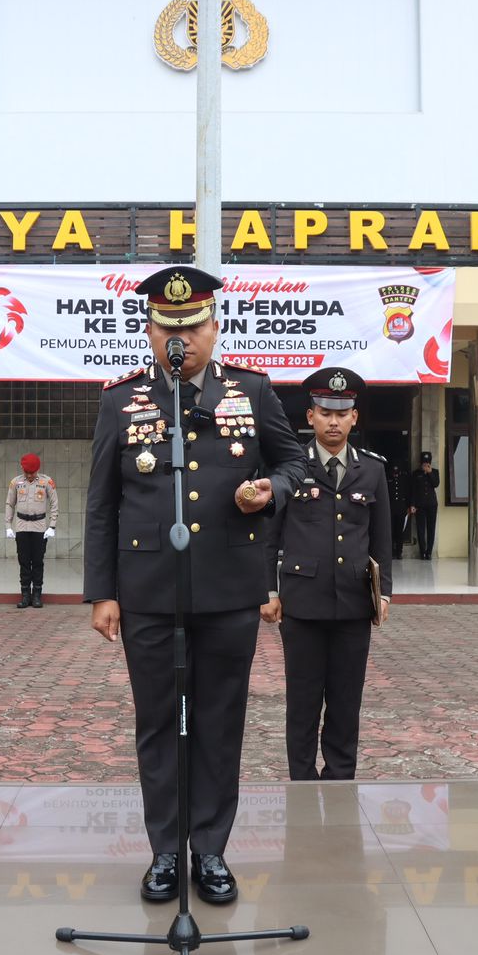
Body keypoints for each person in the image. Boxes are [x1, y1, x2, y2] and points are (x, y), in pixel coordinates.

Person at [84, 264, 305, 906]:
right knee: (156, 722)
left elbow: (293, 461)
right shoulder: (121, 400)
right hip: (149, 590)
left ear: (214, 327)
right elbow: (102, 503)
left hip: (229, 587)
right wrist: (103, 591)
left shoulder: (252, 391)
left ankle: (209, 850)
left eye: (191, 327)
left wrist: (270, 489)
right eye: (165, 328)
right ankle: (163, 850)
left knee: (218, 721)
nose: (177, 338)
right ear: (150, 331)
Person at [262, 366, 392, 782]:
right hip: (301, 605)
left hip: (354, 604)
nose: (333, 422)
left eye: (341, 413)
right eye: (325, 412)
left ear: (354, 417)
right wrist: (268, 591)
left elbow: (382, 539)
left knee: (346, 701)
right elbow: (268, 535)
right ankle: (301, 782)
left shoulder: (372, 469)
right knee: (302, 702)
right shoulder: (290, 468)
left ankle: (340, 782)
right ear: (310, 416)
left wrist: (383, 593)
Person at [5, 452, 58, 609]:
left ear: (37, 470)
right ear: (22, 469)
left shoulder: (46, 482)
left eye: (32, 472)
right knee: (23, 562)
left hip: (39, 527)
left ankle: (37, 595)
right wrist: (8, 526)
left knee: (37, 562)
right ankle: (25, 595)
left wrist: (52, 526)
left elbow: (54, 503)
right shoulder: (16, 482)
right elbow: (9, 504)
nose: (29, 475)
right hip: (21, 526)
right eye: (27, 472)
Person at [408, 452, 440, 559]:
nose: (425, 465)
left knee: (431, 528)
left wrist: (430, 473)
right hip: (420, 505)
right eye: (424, 463)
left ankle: (429, 552)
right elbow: (413, 490)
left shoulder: (435, 472)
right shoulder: (416, 473)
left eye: (427, 463)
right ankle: (422, 552)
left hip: (432, 504)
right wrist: (412, 504)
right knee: (420, 529)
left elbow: (436, 484)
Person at [386, 460, 409, 559]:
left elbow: (408, 493)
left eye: (396, 472)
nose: (395, 474)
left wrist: (410, 505)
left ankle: (399, 552)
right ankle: (391, 551)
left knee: (400, 531)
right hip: (390, 508)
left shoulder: (404, 478)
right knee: (390, 531)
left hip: (401, 508)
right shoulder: (388, 479)